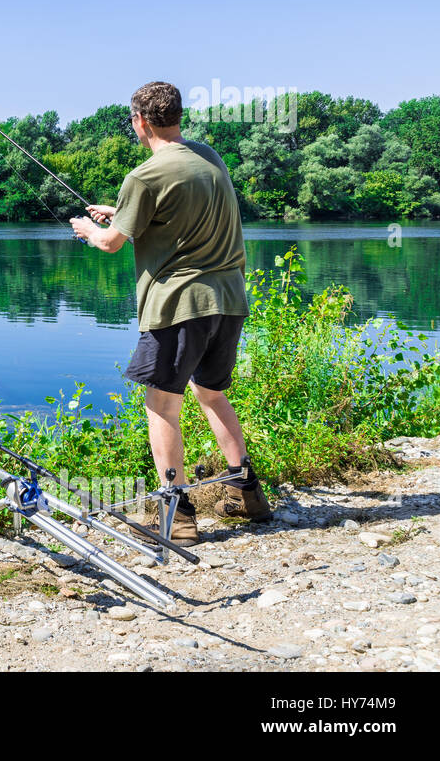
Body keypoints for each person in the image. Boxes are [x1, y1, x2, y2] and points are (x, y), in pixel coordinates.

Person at [68, 81, 272, 546]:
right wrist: (120, 211)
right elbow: (173, 214)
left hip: (180, 305)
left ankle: (176, 515)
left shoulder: (144, 176)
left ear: (140, 121)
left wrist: (86, 228)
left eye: (133, 121)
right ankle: (248, 495)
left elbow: (109, 242)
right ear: (177, 116)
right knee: (213, 393)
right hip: (229, 301)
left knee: (161, 404)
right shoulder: (208, 157)